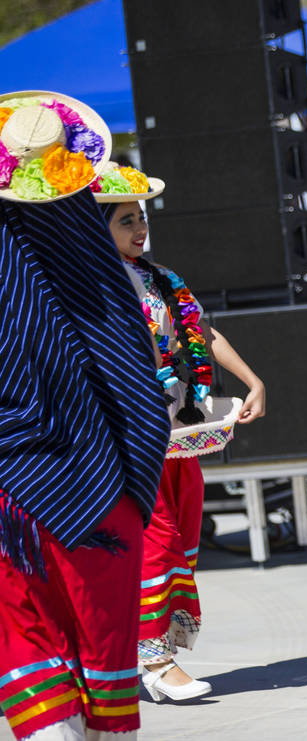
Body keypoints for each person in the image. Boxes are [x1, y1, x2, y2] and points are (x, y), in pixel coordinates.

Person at [0, 93, 169, 740]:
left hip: (9, 496)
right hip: (103, 493)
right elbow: (138, 393)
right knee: (104, 657)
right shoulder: (106, 281)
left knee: (26, 643)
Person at [94, 165, 267, 703]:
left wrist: (251, 379)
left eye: (141, 218)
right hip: (123, 438)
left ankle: (142, 652)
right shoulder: (87, 288)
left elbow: (201, 331)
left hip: (173, 431)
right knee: (154, 542)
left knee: (182, 540)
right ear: (95, 227)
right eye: (126, 221)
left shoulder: (161, 279)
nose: (139, 229)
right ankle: (155, 661)